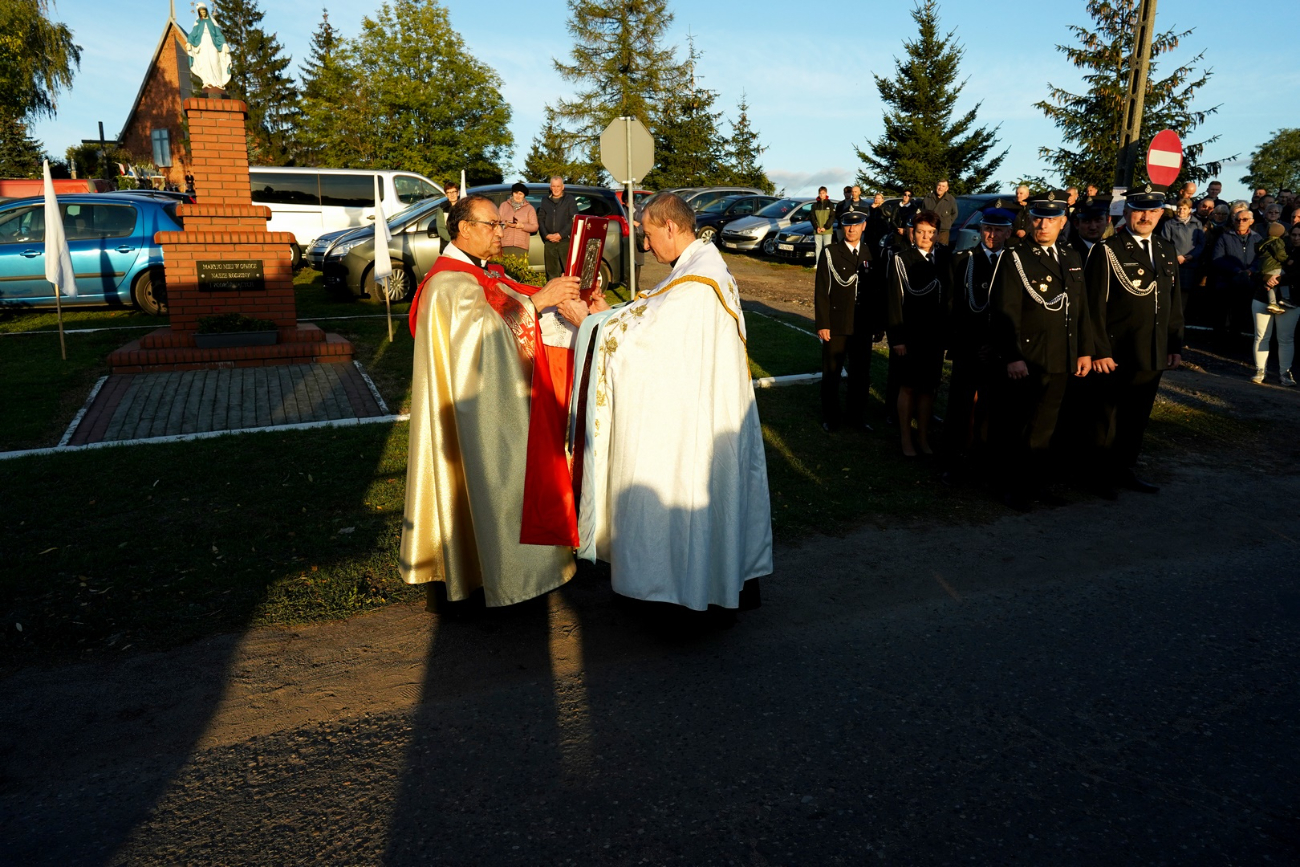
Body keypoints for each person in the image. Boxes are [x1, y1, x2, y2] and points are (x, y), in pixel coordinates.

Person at [570, 193, 772, 611]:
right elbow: (656, 313)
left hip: (696, 422)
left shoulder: (699, 283)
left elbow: (648, 344)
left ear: (671, 227)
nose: (645, 245)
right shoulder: (699, 266)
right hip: (705, 409)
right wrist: (609, 312)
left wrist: (590, 325)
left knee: (688, 488)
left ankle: (690, 594)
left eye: (647, 233)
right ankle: (717, 581)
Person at [400, 195, 595, 610]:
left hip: (491, 404)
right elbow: (479, 337)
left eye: (500, 225)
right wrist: (537, 303)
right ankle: (492, 576)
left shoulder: (475, 275)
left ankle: (506, 569)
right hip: (474, 412)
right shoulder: (446, 284)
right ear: (463, 229)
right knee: (490, 481)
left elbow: (505, 306)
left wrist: (553, 306)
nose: (500, 232)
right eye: (492, 225)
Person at [989, 192, 1092, 510]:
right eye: (1038, 217)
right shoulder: (1016, 256)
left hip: (1061, 355)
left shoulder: (1070, 256)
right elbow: (1004, 311)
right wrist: (1012, 356)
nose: (1043, 223)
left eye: (1051, 218)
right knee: (1018, 424)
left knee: (1046, 426)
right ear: (1031, 219)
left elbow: (1081, 309)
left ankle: (1037, 485)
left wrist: (1084, 350)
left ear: (1063, 222)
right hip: (1028, 357)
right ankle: (1012, 488)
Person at [1084, 184, 1184, 497]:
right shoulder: (1108, 249)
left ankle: (1124, 468)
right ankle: (1097, 474)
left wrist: (1175, 344)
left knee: (1137, 415)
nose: (1146, 216)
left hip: (1152, 348)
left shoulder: (1166, 249)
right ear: (1126, 213)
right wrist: (1099, 349)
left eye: (1152, 211)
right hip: (1116, 349)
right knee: (1106, 416)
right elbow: (1093, 306)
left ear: (1160, 214)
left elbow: (1174, 302)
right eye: (1139, 210)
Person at [941, 205, 1014, 483]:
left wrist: (997, 345)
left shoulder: (1013, 262)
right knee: (959, 407)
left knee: (992, 408)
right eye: (987, 229)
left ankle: (984, 460)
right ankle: (952, 460)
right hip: (967, 346)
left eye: (998, 230)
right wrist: (963, 344)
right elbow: (951, 306)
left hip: (998, 350)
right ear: (981, 230)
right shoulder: (962, 260)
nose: (992, 235)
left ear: (1008, 232)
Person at [887, 210, 951, 457]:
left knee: (928, 388)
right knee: (908, 387)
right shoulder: (902, 259)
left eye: (931, 232)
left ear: (937, 233)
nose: (926, 236)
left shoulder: (945, 257)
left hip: (934, 337)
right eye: (921, 231)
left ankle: (923, 438)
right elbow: (894, 301)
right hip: (910, 336)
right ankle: (906, 439)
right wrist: (897, 339)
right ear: (913, 232)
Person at [815, 210, 881, 432]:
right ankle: (831, 417)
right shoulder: (831, 252)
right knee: (832, 372)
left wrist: (877, 324)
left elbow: (876, 293)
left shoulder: (872, 253)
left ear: (864, 226)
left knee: (861, 374)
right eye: (847, 225)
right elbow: (822, 291)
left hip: (861, 324)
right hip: (836, 323)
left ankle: (856, 416)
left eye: (857, 225)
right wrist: (823, 323)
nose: (851, 229)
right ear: (842, 227)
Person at [1250, 223, 1300, 385]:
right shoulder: (1274, 246)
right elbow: (1255, 271)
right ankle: (1260, 370)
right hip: (1262, 296)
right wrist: (1266, 278)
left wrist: (1278, 279)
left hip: (1290, 301)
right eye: (1294, 235)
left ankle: (1285, 373)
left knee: (1285, 338)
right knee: (1261, 336)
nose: (1296, 238)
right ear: (1288, 235)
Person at [1211, 205, 1261, 346]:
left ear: (1251, 221)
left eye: (1244, 219)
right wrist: (1236, 270)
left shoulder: (1258, 239)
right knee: (1221, 313)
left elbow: (1261, 258)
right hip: (1226, 281)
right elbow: (1217, 258)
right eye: (1238, 219)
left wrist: (1251, 269)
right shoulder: (1225, 237)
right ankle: (1218, 343)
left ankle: (1235, 342)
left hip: (1247, 282)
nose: (1240, 222)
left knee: (1240, 313)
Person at [1160, 197, 1205, 316]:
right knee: (1171, 291)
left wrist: (1192, 256)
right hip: (1174, 262)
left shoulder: (1197, 223)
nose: (1181, 211)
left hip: (1191, 263)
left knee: (1185, 292)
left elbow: (1201, 243)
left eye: (1184, 209)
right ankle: (1168, 316)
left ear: (1190, 210)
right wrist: (1177, 255)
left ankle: (1181, 317)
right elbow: (1165, 242)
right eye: (1179, 208)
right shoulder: (1169, 223)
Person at [537, 176, 578, 280]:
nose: (556, 189)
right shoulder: (545, 200)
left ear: (562, 187)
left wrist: (561, 234)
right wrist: (546, 235)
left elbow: (573, 219)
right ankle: (554, 295)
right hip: (549, 242)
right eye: (553, 186)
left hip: (565, 241)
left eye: (558, 186)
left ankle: (569, 295)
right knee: (551, 274)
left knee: (568, 273)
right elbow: (541, 219)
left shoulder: (570, 199)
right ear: (550, 187)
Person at [186, 4, 231, 92]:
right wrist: (189, 42)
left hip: (212, 43)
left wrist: (224, 44)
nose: (202, 13)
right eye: (201, 12)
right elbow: (193, 33)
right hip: (202, 44)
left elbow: (218, 34)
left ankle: (219, 82)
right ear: (199, 13)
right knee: (205, 62)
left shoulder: (213, 22)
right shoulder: (198, 22)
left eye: (204, 11)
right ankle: (207, 81)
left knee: (215, 61)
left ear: (206, 11)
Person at [1256, 221, 1292, 314]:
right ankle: (1286, 298)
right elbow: (1279, 254)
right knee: (1282, 278)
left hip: (1264, 268)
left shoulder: (1263, 242)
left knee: (1271, 285)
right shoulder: (1277, 241)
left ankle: (1272, 303)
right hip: (1274, 266)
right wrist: (1287, 260)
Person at [498, 182, 538, 260]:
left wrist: (521, 225)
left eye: (520, 194)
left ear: (524, 196)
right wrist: (505, 224)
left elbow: (535, 227)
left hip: (521, 246)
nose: (518, 196)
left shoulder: (530, 208)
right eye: (516, 193)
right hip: (504, 244)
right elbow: (498, 222)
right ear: (512, 194)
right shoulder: (504, 205)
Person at [922, 179, 959, 245]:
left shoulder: (951, 200)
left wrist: (947, 223)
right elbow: (922, 212)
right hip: (928, 230)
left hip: (943, 232)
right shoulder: (928, 198)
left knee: (941, 251)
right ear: (936, 186)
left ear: (946, 189)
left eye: (943, 186)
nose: (940, 188)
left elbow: (955, 213)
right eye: (939, 185)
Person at [809, 186, 835, 263]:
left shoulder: (830, 204)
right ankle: (818, 263)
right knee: (818, 247)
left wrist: (826, 227)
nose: (821, 195)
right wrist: (816, 227)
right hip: (817, 230)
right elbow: (812, 217)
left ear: (826, 193)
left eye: (823, 193)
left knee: (827, 247)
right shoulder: (814, 205)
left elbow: (832, 217)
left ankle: (827, 264)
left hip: (827, 230)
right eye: (820, 193)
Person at [434, 181, 460, 245]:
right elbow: (441, 229)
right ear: (446, 195)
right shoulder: (442, 208)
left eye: (454, 192)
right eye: (449, 192)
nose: (452, 195)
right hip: (447, 244)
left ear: (458, 193)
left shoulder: (464, 207)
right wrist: (453, 240)